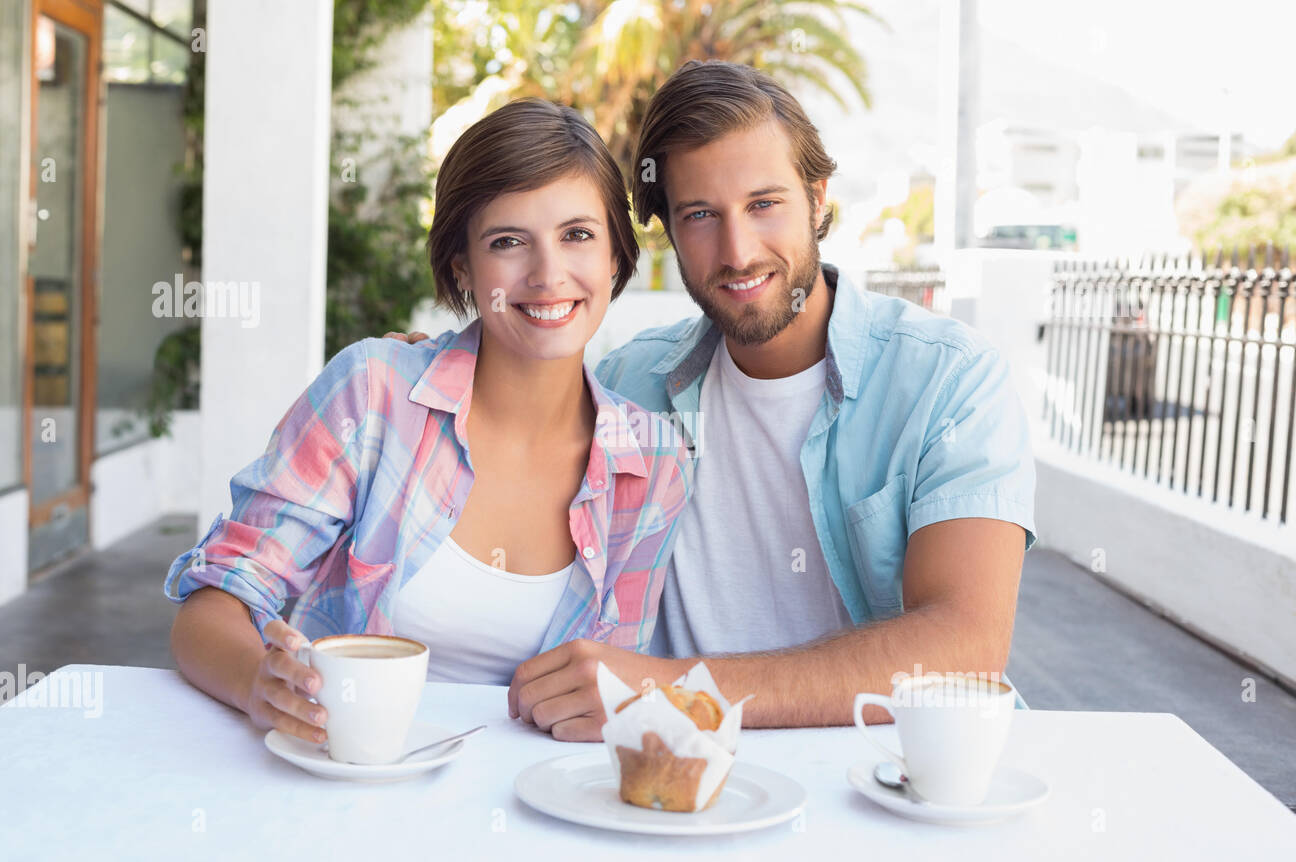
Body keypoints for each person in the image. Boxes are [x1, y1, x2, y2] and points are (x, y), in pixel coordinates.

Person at [392, 60, 1037, 739]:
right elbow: (502, 402)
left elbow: (966, 649)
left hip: (880, 779)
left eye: (764, 204)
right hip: (664, 779)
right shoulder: (629, 385)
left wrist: (672, 693)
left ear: (818, 199)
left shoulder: (948, 383)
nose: (737, 251)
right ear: (667, 230)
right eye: (700, 214)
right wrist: (429, 366)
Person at [164, 98, 693, 746]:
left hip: (535, 806)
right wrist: (258, 683)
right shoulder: (374, 396)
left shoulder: (653, 467)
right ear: (462, 267)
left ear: (615, 256)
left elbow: (604, 697)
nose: (548, 274)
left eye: (577, 235)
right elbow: (213, 605)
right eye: (507, 242)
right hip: (347, 785)